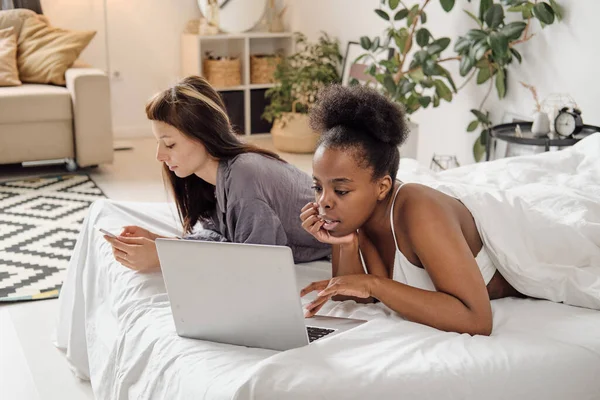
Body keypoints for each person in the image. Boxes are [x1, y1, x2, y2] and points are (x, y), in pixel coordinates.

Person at [299, 85, 522, 336]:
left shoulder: (420, 210)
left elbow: (477, 320)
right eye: (318, 187)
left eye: (340, 191)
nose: (323, 202)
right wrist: (345, 243)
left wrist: (374, 285)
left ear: (382, 186)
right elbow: (354, 299)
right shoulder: (361, 216)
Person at [104, 76, 330, 271]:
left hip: (349, 248)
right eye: (158, 143)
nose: (159, 156)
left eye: (169, 144)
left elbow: (258, 264)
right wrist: (159, 242)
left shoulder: (245, 175)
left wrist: (163, 258)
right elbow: (224, 240)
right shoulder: (211, 178)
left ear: (204, 135)